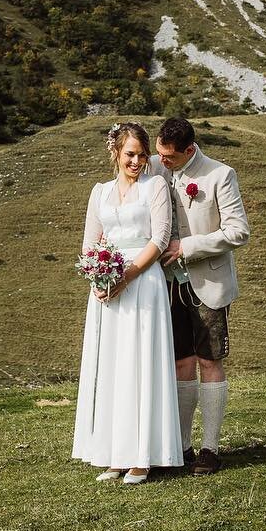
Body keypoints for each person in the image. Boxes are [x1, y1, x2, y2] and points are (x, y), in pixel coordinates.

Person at [71, 121, 184, 484]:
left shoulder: (156, 187)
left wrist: (128, 276)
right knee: (114, 367)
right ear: (116, 154)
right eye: (129, 155)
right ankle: (114, 454)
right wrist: (98, 278)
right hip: (108, 289)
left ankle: (143, 455)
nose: (136, 161)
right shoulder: (100, 192)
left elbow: (161, 236)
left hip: (143, 280)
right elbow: (91, 241)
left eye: (141, 154)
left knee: (140, 363)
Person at [156, 117, 250, 476]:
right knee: (180, 363)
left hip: (207, 284)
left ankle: (210, 448)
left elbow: (238, 232)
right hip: (166, 283)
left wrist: (188, 246)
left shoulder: (220, 175)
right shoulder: (155, 167)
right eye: (159, 153)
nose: (161, 161)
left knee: (209, 361)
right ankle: (181, 447)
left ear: (189, 150)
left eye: (169, 157)